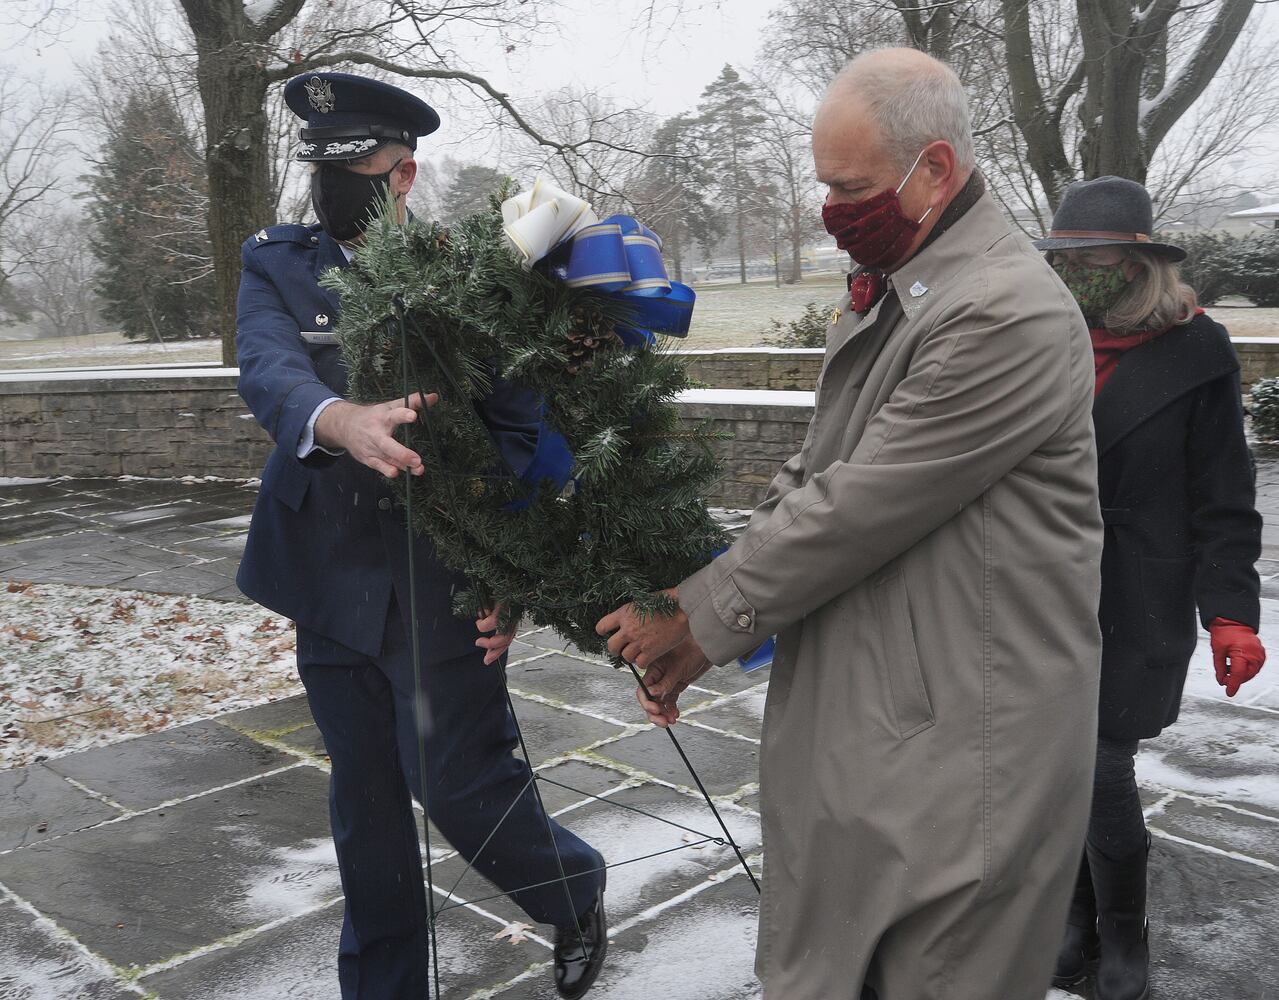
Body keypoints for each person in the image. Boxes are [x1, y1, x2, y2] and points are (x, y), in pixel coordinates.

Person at [597, 48, 1104, 999]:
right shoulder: (907, 284)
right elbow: (812, 469)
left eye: (851, 187)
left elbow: (854, 506)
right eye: (825, 184)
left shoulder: (1002, 311)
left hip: (965, 742)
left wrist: (697, 615)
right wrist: (696, 622)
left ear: (938, 169)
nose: (832, 210)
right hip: (892, 715)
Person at [235, 72, 607, 1000]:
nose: (329, 184)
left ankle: (571, 891)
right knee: (363, 802)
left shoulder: (466, 275)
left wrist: (513, 570)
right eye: (318, 165)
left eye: (351, 165)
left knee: (460, 786)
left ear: (402, 175)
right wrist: (336, 418)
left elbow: (525, 433)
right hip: (324, 573)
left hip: (442, 574)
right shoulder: (277, 263)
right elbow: (268, 366)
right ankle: (383, 984)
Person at [1033, 176, 1266, 1000]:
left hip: (1136, 593)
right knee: (1053, 767)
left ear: (1137, 262)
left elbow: (1224, 496)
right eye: (1063, 259)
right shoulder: (1038, 339)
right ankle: (1072, 915)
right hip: (1038, 592)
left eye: (1091, 257)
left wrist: (1232, 613)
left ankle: (1121, 932)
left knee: (1095, 761)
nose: (1075, 273)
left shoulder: (1196, 352)